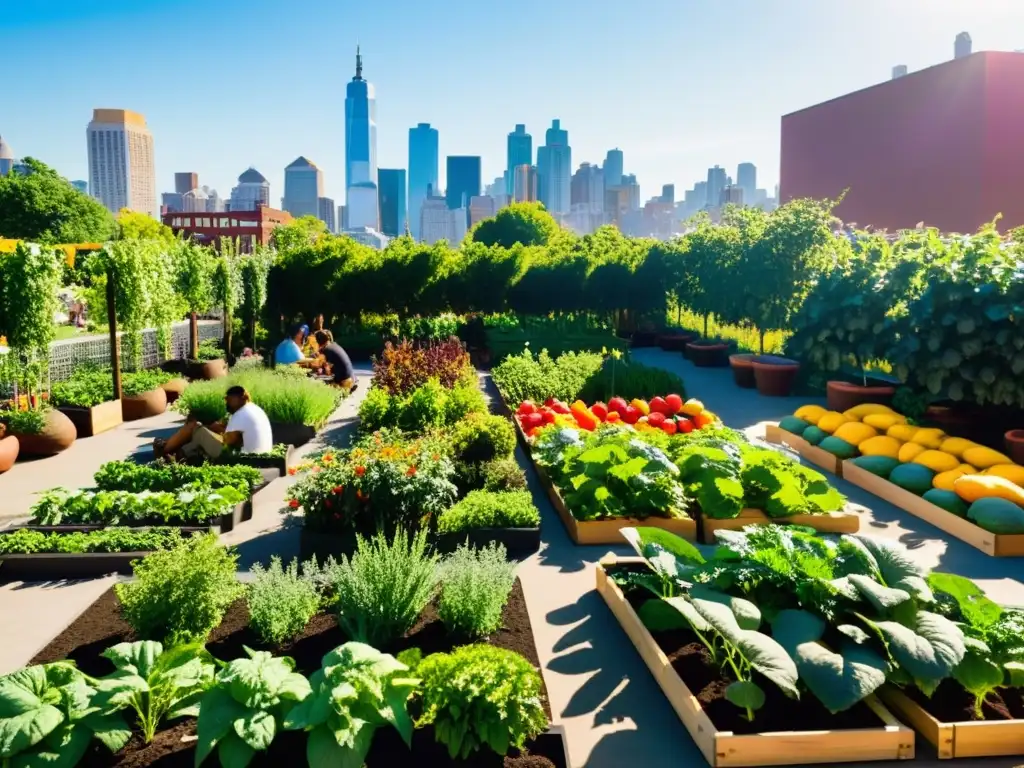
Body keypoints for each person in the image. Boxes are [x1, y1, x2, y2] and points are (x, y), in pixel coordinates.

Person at [155, 386, 273, 460]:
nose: (227, 404)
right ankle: (178, 454)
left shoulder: (240, 414)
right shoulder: (251, 408)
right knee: (198, 430)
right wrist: (216, 428)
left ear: (241, 399)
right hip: (256, 452)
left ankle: (169, 452)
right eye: (226, 400)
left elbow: (228, 442)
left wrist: (214, 429)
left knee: (199, 431)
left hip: (240, 457)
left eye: (230, 400)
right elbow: (238, 437)